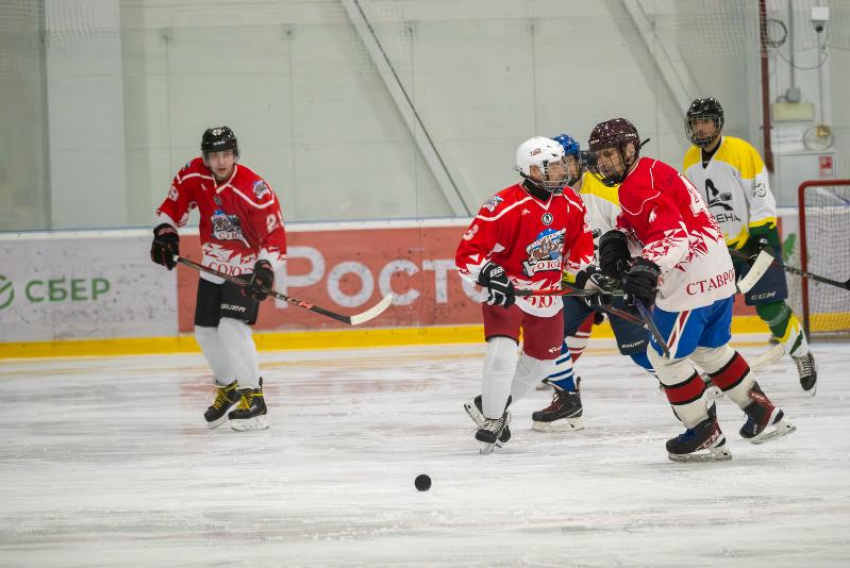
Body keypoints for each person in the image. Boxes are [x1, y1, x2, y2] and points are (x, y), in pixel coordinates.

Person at [587, 117, 795, 462]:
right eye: (599, 155)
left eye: (609, 154)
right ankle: (763, 413)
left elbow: (672, 237)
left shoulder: (635, 186)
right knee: (710, 352)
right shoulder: (652, 170)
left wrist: (646, 267)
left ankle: (704, 431)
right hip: (717, 275)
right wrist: (618, 238)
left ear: (629, 149)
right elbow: (657, 221)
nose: (603, 162)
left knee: (664, 357)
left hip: (689, 284)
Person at [456, 136, 595, 453]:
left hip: (547, 295)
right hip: (509, 291)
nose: (562, 172)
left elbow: (580, 250)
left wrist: (588, 274)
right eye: (554, 167)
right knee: (502, 352)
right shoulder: (503, 206)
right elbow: (468, 254)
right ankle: (493, 419)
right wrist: (489, 273)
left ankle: (489, 406)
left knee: (543, 363)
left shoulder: (572, 203)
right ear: (532, 170)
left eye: (562, 165)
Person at [150, 126, 286, 432]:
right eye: (214, 155)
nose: (220, 161)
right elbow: (172, 207)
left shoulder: (254, 189)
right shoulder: (193, 175)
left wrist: (264, 269)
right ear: (206, 157)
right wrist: (165, 232)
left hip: (246, 265)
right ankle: (229, 389)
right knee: (206, 332)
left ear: (235, 155)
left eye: (226, 154)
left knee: (231, 327)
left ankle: (255, 399)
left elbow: (274, 235)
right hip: (213, 265)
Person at [682, 97, 816, 394]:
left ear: (718, 123)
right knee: (709, 310)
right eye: (695, 122)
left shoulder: (742, 152)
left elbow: (760, 196)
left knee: (770, 309)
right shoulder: (690, 159)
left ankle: (801, 354)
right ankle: (716, 367)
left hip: (753, 243)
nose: (700, 128)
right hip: (718, 251)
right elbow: (695, 205)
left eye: (705, 121)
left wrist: (762, 236)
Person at [532, 134, 654, 432]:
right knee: (547, 334)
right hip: (576, 284)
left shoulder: (604, 194)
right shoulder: (548, 200)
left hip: (614, 282)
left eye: (568, 162)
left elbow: (636, 236)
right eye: (556, 164)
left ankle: (681, 382)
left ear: (580, 162)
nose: (562, 169)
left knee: (639, 351)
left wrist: (633, 271)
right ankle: (567, 400)